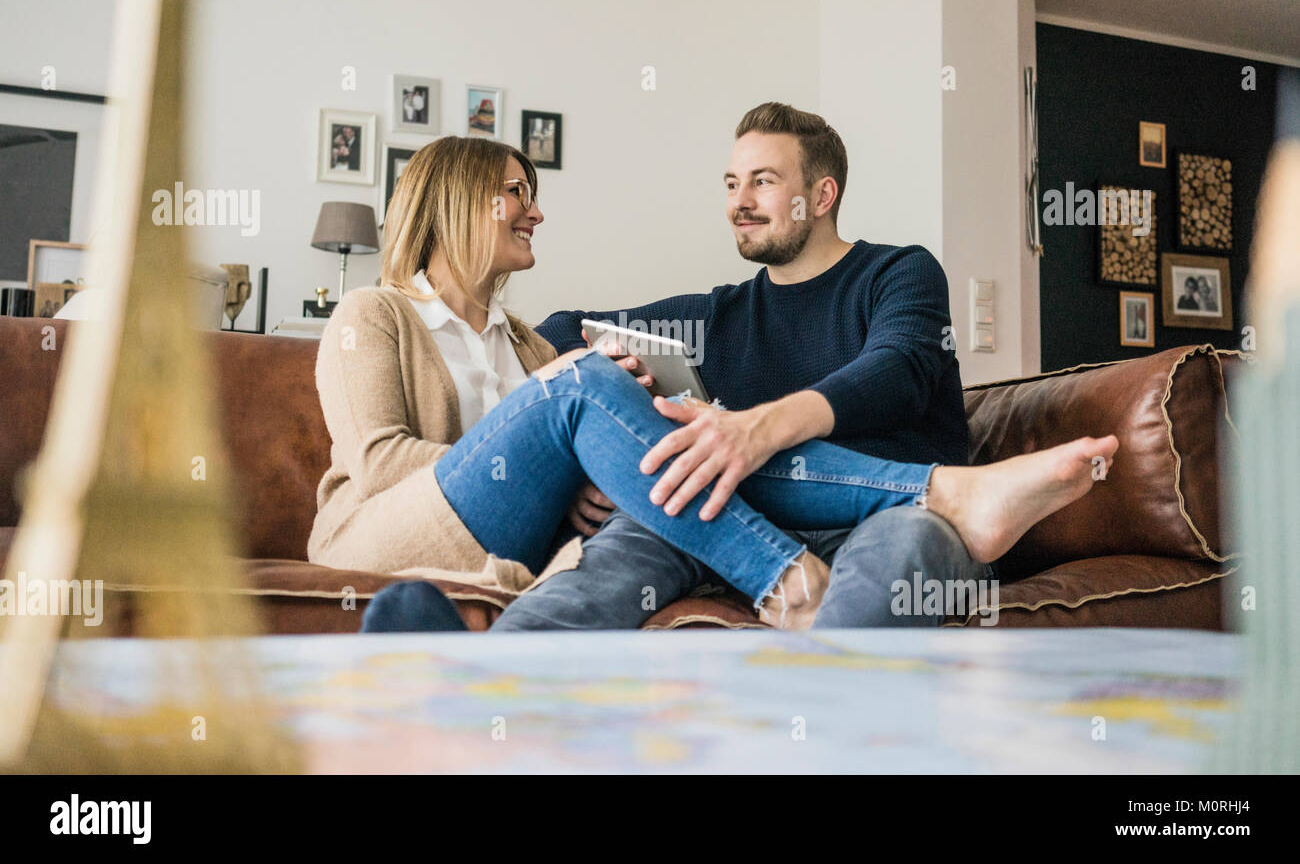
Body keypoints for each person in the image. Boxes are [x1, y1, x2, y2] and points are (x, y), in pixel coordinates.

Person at [324, 133, 1116, 634]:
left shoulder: (896, 272)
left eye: (763, 181)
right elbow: (573, 342)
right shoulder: (715, 313)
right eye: (730, 182)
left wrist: (755, 426)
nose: (739, 200)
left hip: (857, 518)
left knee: (747, 472)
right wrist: (595, 416)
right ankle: (937, 492)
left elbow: (901, 369)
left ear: (822, 194)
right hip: (712, 508)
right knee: (636, 517)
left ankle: (810, 723)